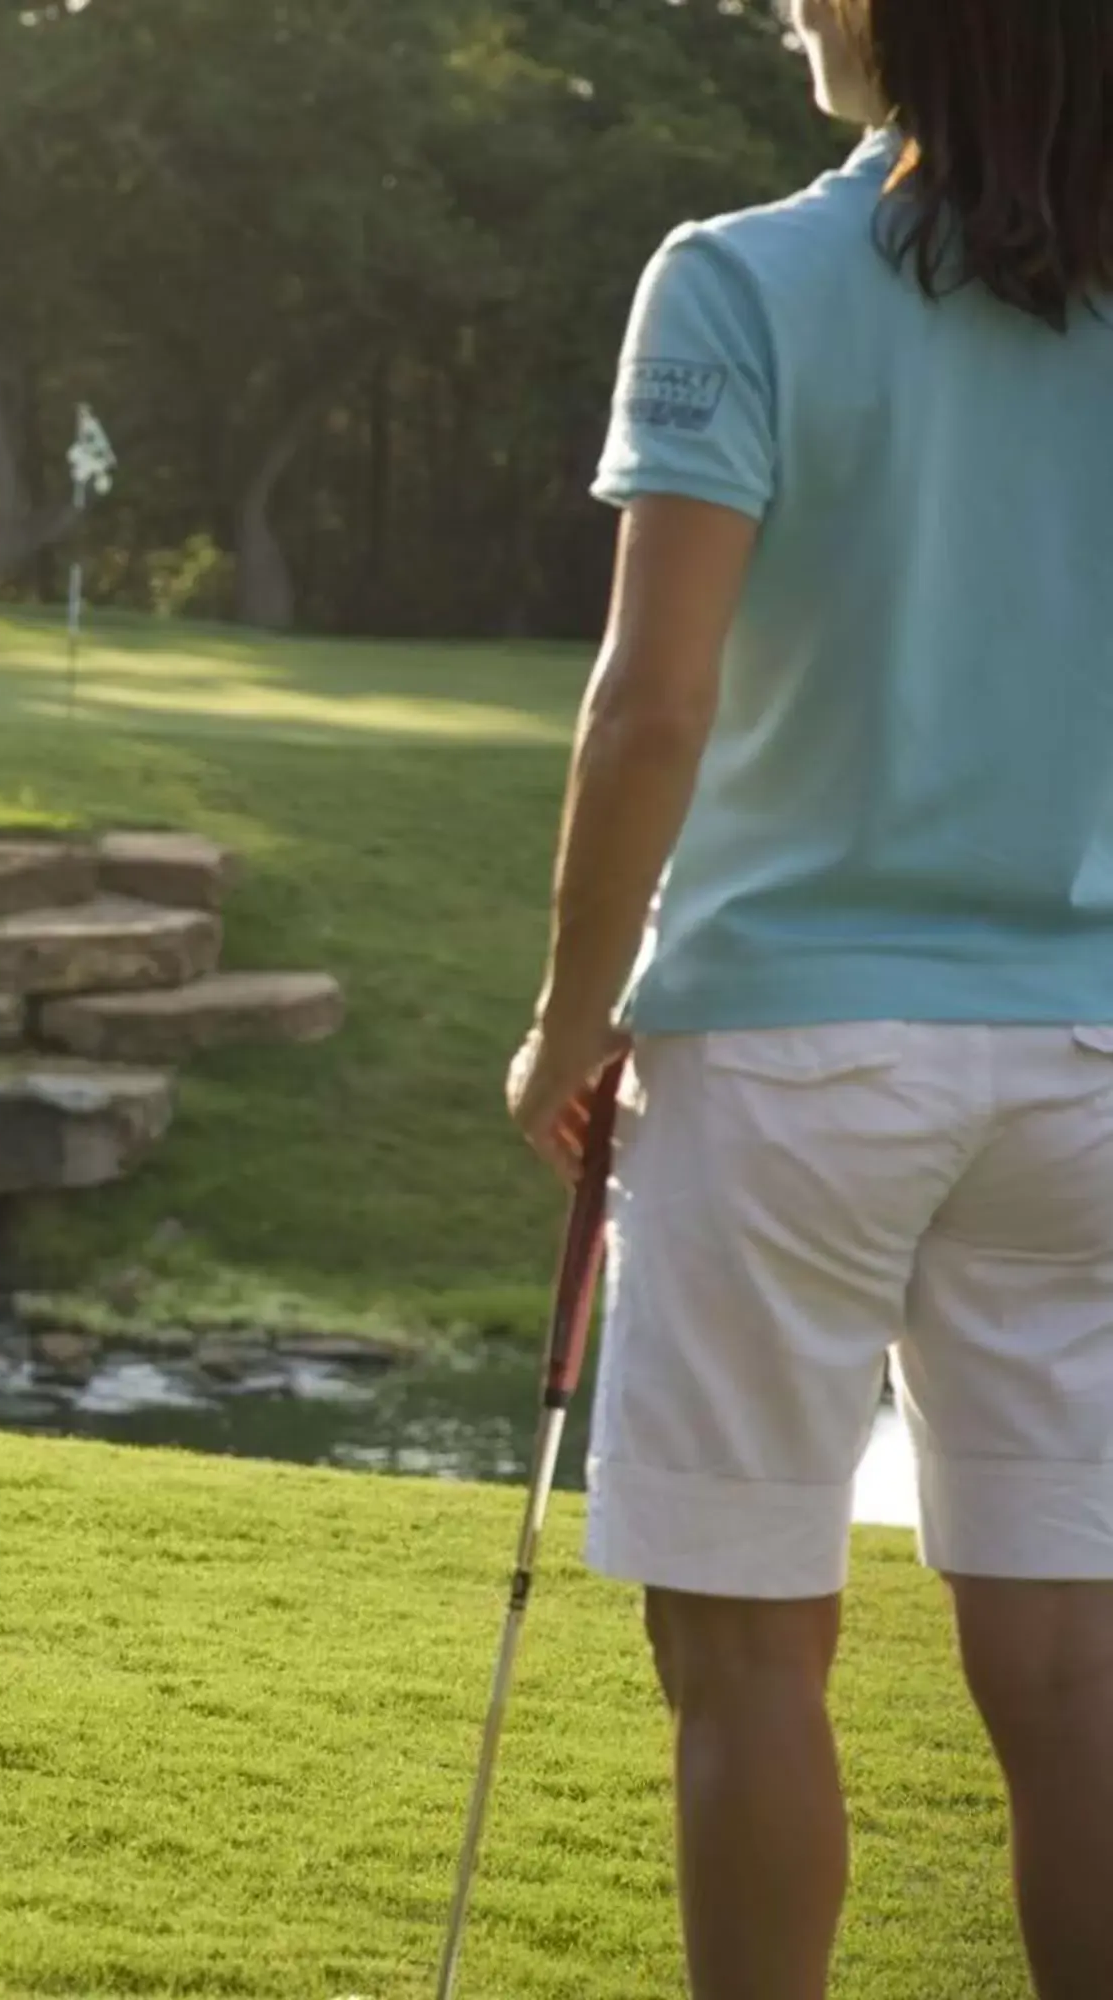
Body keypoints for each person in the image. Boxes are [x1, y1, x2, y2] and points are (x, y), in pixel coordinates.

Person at [505, 2, 1113, 1992]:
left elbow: (650, 706)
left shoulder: (737, 278)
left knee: (745, 1642)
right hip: (1089, 1061)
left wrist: (571, 1014)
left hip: (786, 1051)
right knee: (1074, 1655)